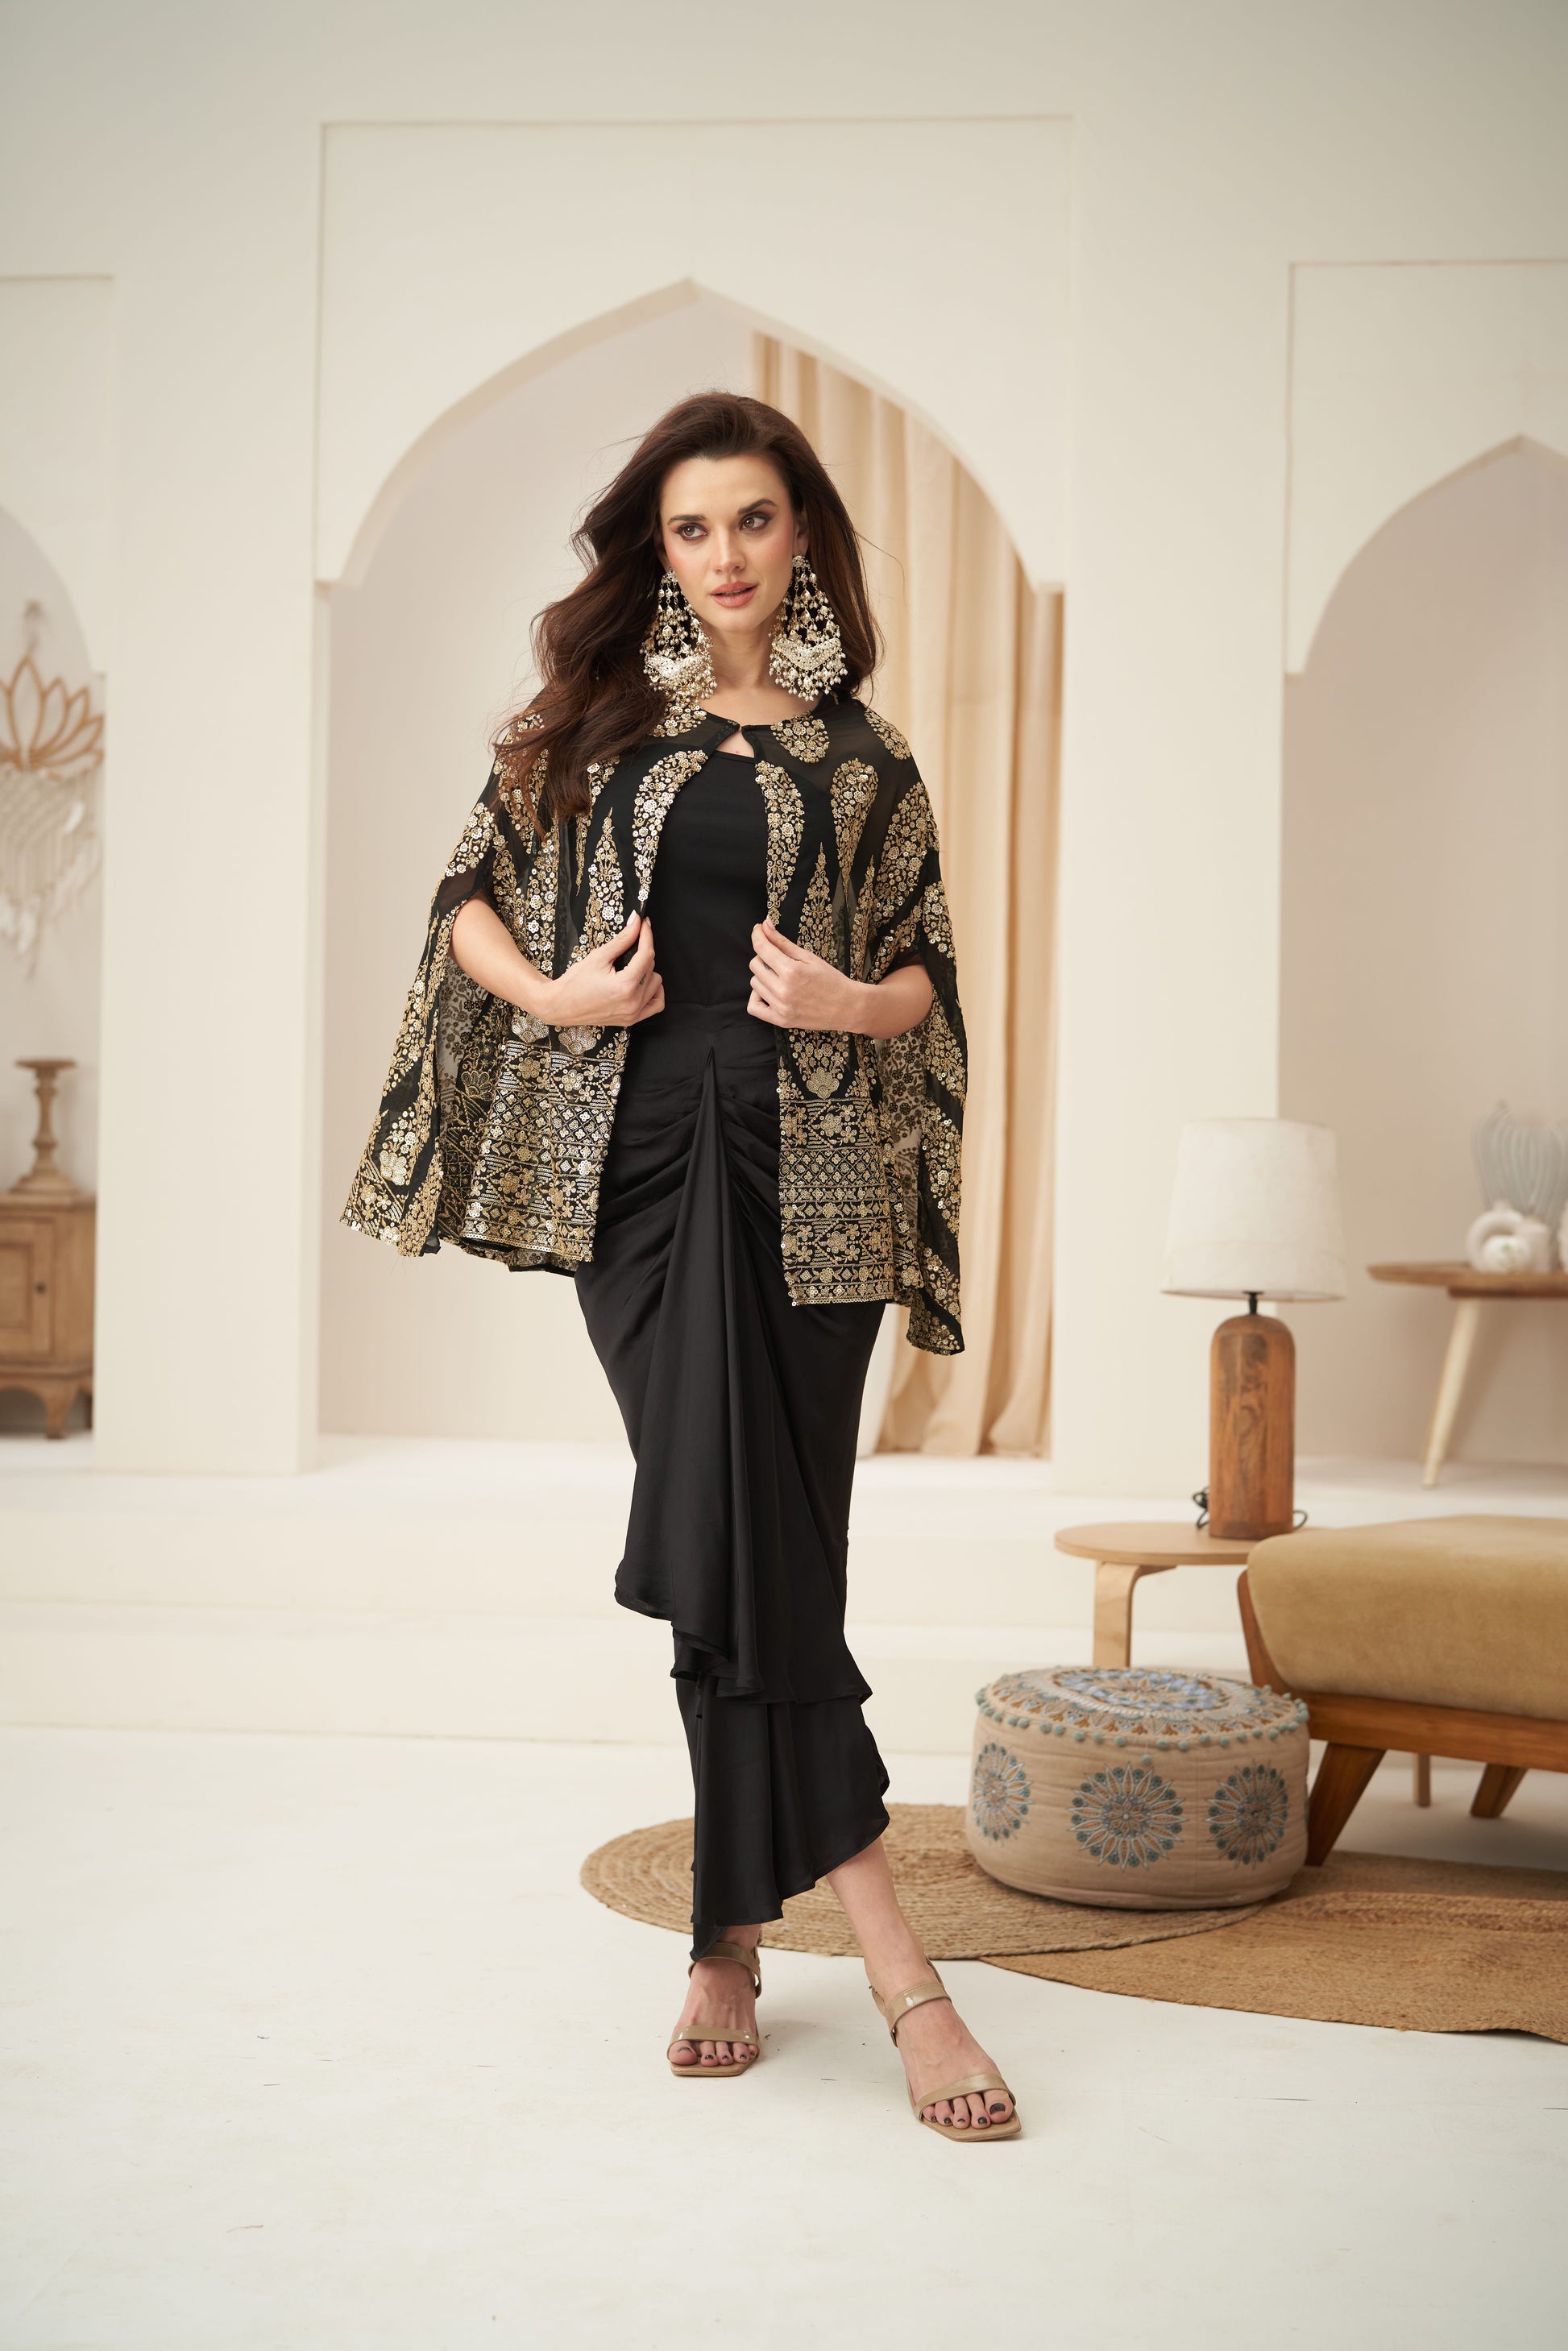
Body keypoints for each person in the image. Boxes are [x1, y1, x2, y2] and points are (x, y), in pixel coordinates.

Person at [343, 392, 1018, 2142]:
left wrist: (849, 1000)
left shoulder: (867, 761)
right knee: (732, 1524)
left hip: (821, 1190)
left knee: (771, 1541)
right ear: (658, 549)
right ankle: (901, 1968)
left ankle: (725, 1941)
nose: (725, 555)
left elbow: (932, 977)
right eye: (693, 526)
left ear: (803, 541)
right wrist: (560, 991)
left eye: (755, 521)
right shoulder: (596, 735)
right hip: (643, 1176)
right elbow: (465, 900)